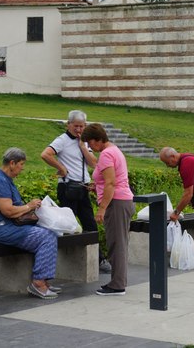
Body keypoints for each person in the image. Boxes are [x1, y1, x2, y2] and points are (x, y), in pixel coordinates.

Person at [0, 147, 58, 300]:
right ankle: (38, 283)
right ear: (12, 163)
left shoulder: (5, 180)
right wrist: (29, 206)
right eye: (21, 164)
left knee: (51, 231)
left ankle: (44, 280)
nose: (22, 168)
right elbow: (7, 210)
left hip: (10, 226)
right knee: (46, 237)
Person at [41, 110, 112, 274]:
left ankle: (99, 258)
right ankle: (65, 263)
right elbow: (45, 154)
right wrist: (61, 168)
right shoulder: (62, 140)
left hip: (83, 187)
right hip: (68, 187)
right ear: (69, 124)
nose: (79, 130)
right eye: (76, 126)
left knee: (90, 223)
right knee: (68, 225)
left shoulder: (85, 142)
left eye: (82, 126)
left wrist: (82, 146)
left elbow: (94, 163)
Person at [82, 123, 135, 296]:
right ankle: (119, 281)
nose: (90, 147)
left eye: (90, 144)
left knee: (116, 244)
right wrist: (96, 185)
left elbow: (111, 183)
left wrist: (101, 209)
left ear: (97, 140)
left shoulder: (106, 154)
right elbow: (110, 180)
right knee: (119, 242)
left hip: (116, 203)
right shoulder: (114, 150)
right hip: (122, 200)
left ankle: (117, 285)